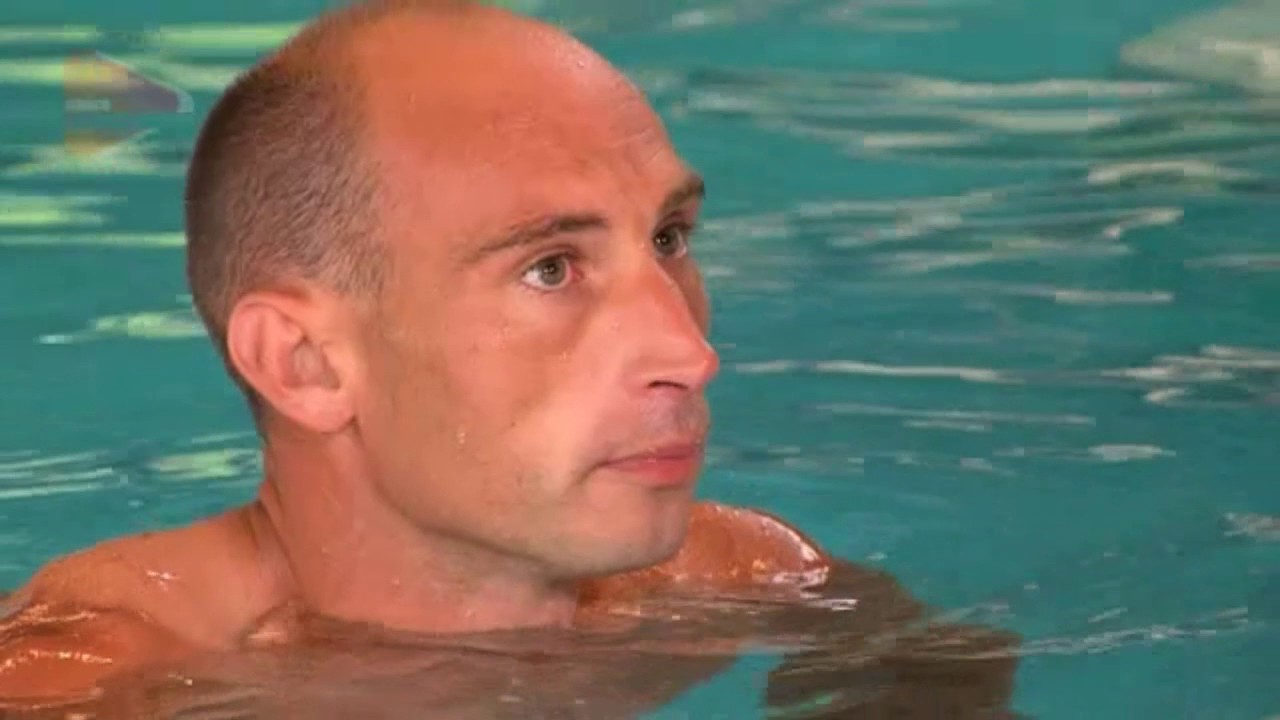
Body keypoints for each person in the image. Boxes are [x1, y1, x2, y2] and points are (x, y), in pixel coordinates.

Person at [0, 1, 1020, 714]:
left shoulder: (737, 576)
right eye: (550, 269)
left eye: (669, 238)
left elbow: (933, 679)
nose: (689, 350)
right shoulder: (96, 676)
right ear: (306, 362)